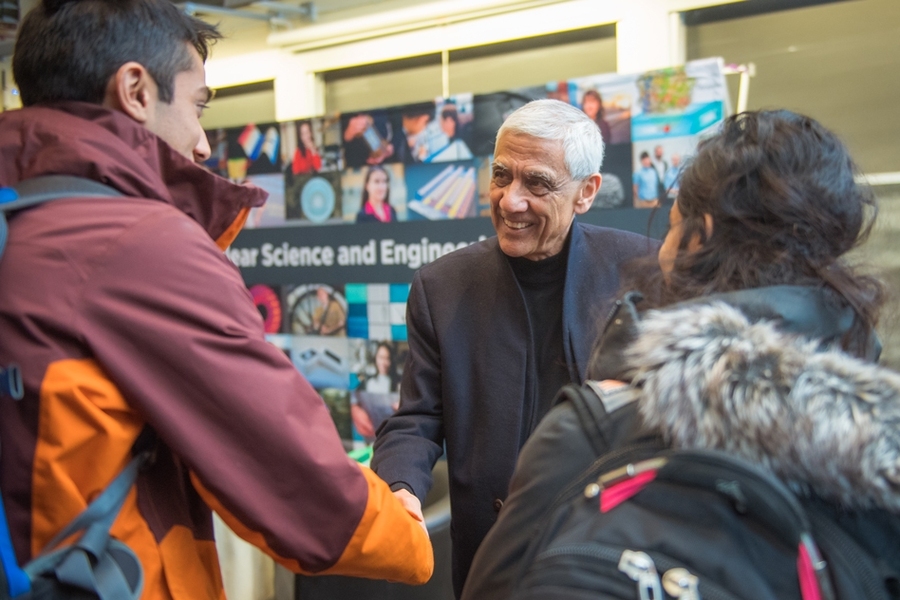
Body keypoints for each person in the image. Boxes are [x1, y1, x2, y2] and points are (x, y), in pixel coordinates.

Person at [0, 1, 432, 598]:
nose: (203, 144)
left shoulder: (23, 223)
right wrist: (413, 542)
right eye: (197, 105)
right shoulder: (134, 243)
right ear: (135, 90)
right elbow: (289, 475)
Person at [462, 109, 895, 599]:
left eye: (670, 228)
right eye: (501, 175)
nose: (511, 200)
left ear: (697, 238)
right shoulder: (881, 460)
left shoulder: (594, 432)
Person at [371, 98, 657, 597]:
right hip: (492, 563)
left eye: (538, 183)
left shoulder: (640, 272)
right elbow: (417, 417)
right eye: (501, 175)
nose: (510, 201)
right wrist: (400, 488)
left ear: (586, 192)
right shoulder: (443, 286)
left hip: (612, 558)